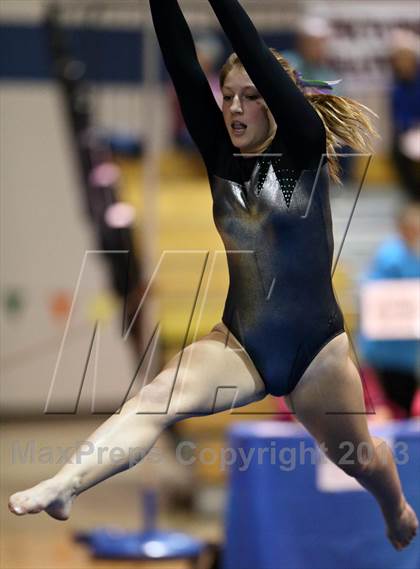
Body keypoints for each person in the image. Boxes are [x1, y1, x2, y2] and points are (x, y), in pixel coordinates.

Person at [9, 0, 418, 551]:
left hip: (317, 354)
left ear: (276, 103)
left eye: (251, 96)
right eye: (227, 96)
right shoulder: (221, 157)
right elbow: (179, 59)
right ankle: (66, 483)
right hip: (241, 343)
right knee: (156, 398)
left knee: (360, 459)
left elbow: (250, 48)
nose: (234, 107)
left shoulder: (301, 148)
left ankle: (394, 507)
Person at [358, 200, 420, 417]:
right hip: (386, 349)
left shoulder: (413, 255)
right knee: (391, 405)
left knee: (404, 402)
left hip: (405, 349)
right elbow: (379, 293)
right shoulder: (391, 255)